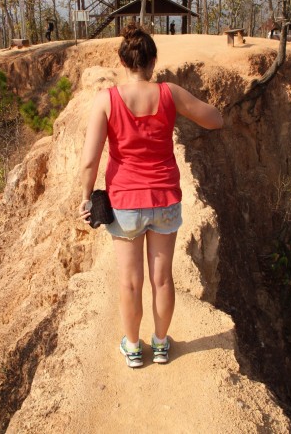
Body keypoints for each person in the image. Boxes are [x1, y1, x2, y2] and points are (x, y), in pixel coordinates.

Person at [79, 24, 223, 368]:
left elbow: (89, 160)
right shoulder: (169, 93)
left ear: (122, 61)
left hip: (125, 203)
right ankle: (160, 345)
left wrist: (85, 197)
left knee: (130, 281)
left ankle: (132, 348)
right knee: (162, 278)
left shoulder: (107, 100)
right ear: (153, 60)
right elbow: (215, 120)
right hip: (164, 199)